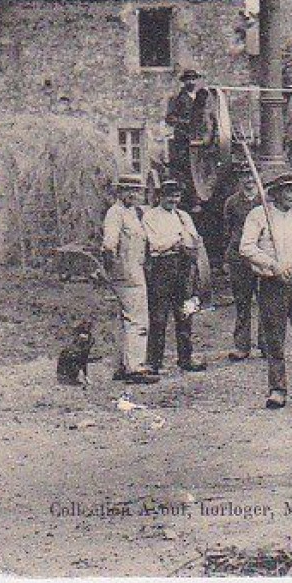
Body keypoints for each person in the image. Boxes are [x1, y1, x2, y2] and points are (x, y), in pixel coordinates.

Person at [240, 171, 292, 409]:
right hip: (271, 283)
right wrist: (273, 265)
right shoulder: (259, 215)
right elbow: (246, 247)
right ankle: (277, 389)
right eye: (288, 190)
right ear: (276, 193)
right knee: (274, 337)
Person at [142, 178, 205, 373]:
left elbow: (193, 240)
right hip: (162, 267)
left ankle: (185, 358)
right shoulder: (150, 216)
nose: (173, 200)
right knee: (159, 316)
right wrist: (176, 240)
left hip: (183, 266)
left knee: (185, 313)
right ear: (160, 196)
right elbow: (155, 244)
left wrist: (181, 242)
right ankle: (154, 361)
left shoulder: (183, 216)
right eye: (169, 196)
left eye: (176, 196)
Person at [101, 174, 157, 384]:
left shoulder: (134, 213)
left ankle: (122, 365)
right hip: (126, 272)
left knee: (127, 319)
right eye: (128, 190)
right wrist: (113, 271)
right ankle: (135, 367)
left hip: (136, 269)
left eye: (137, 190)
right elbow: (108, 246)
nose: (134, 194)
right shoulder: (115, 214)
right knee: (137, 319)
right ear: (119, 192)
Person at [222, 175, 261, 361]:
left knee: (266, 303)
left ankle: (266, 345)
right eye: (245, 176)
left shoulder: (265, 199)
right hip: (239, 258)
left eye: (252, 176)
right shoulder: (232, 202)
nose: (249, 180)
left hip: (262, 257)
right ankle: (242, 346)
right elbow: (228, 229)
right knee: (242, 302)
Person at [164, 69, 206, 201]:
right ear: (184, 82)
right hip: (184, 138)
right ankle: (189, 197)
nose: (191, 82)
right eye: (188, 79)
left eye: (193, 79)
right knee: (186, 168)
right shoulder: (177, 99)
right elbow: (170, 118)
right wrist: (186, 123)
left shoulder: (202, 98)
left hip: (201, 137)